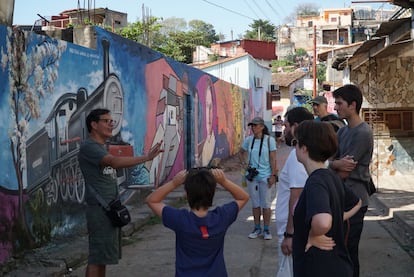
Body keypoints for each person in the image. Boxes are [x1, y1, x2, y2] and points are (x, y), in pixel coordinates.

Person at [78, 108, 163, 277]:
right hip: (100, 211)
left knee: (103, 257)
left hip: (108, 210)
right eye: (106, 121)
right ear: (94, 125)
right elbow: (114, 162)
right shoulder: (89, 147)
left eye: (112, 121)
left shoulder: (100, 147)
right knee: (97, 257)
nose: (111, 124)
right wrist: (146, 158)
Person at [145, 167, 249, 276]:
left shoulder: (180, 219)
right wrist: (224, 181)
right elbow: (243, 197)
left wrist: (174, 183)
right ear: (213, 192)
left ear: (186, 194)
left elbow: (152, 200)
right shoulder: (222, 217)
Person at [292, 120, 361, 277]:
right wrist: (336, 217)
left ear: (304, 148)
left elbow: (322, 222)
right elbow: (357, 202)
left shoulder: (316, 182)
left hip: (319, 267)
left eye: (295, 142)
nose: (294, 146)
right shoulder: (330, 176)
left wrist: (315, 234)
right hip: (336, 264)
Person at [329, 84, 374, 277]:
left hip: (354, 200)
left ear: (352, 105)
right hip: (341, 199)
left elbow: (344, 171)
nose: (335, 107)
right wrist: (333, 164)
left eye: (339, 103)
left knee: (348, 252)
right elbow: (333, 162)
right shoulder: (343, 131)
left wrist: (331, 165)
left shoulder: (363, 133)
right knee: (338, 251)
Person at [274, 106, 314, 277]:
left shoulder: (298, 155)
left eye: (286, 125)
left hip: (292, 229)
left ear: (295, 126)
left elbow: (296, 196)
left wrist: (289, 234)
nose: (284, 129)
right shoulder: (306, 151)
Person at [239, 117, 278, 240]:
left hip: (265, 176)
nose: (253, 128)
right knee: (255, 203)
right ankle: (257, 228)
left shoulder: (269, 140)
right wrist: (244, 164)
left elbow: (273, 159)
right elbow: (241, 152)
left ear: (262, 126)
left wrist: (273, 175)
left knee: (266, 204)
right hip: (252, 176)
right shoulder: (249, 140)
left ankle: (266, 229)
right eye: (252, 126)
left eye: (256, 125)